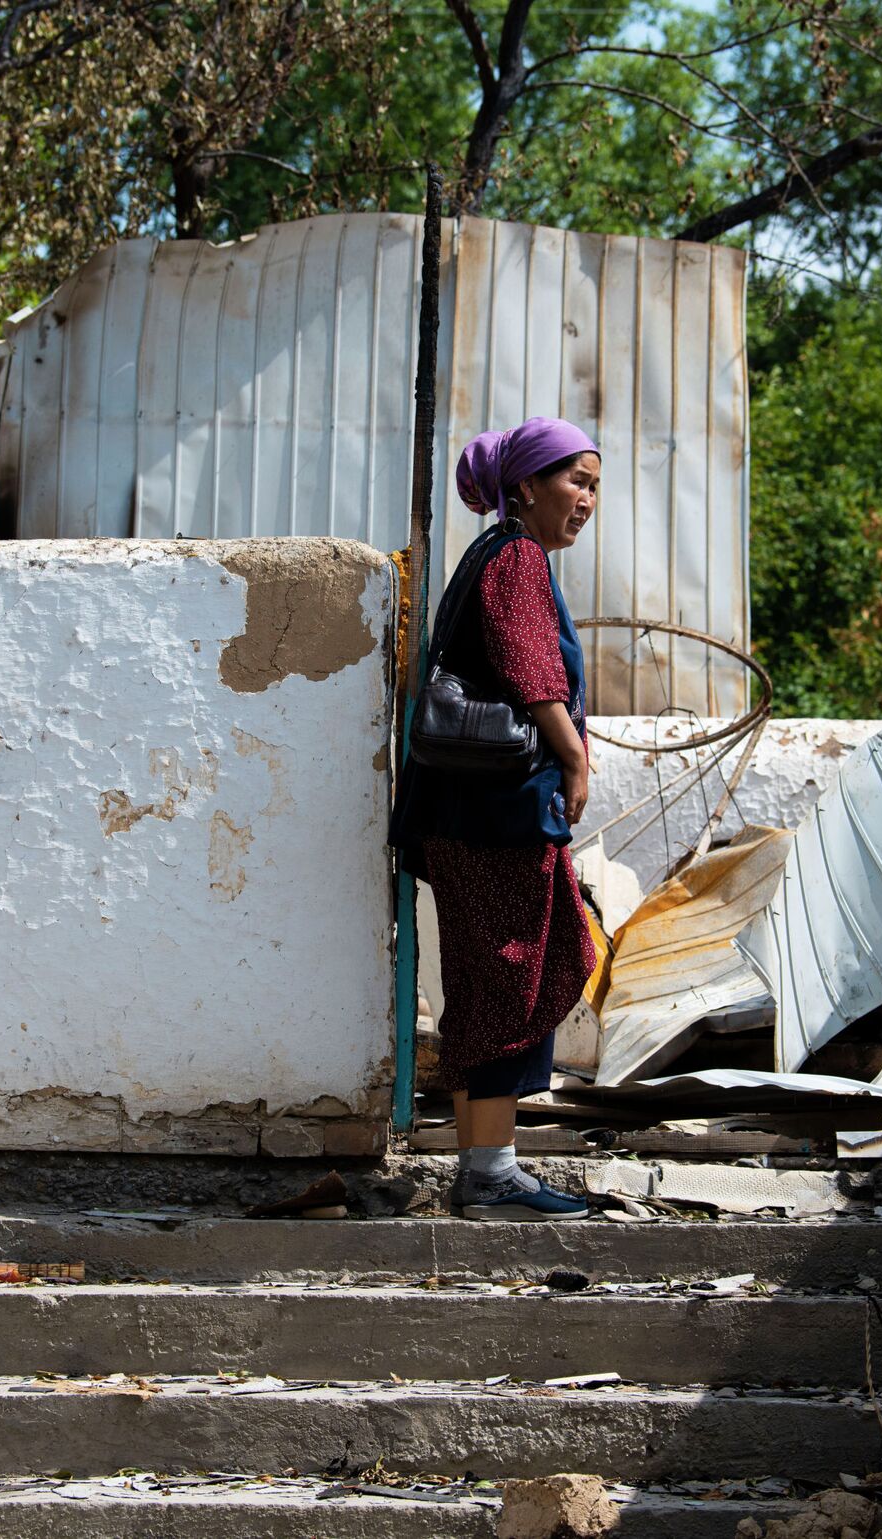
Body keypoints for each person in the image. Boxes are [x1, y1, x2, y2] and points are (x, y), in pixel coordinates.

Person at [390, 416, 601, 1221]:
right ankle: (490, 1171)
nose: (586, 500)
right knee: (518, 971)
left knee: (507, 974)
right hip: (496, 818)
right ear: (524, 487)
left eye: (594, 487)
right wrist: (575, 758)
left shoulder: (504, 556)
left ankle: (488, 1167)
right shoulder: (514, 557)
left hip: (480, 816)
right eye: (575, 480)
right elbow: (530, 670)